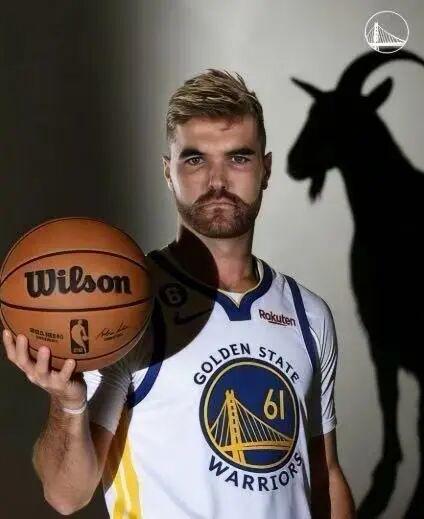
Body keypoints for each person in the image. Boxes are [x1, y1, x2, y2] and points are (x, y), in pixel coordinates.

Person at [2, 69, 356, 518]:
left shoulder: (308, 314)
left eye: (238, 158)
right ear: (168, 171)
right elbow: (66, 494)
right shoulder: (126, 309)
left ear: (265, 169)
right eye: (195, 160)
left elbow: (325, 475)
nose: (217, 181)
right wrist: (68, 404)